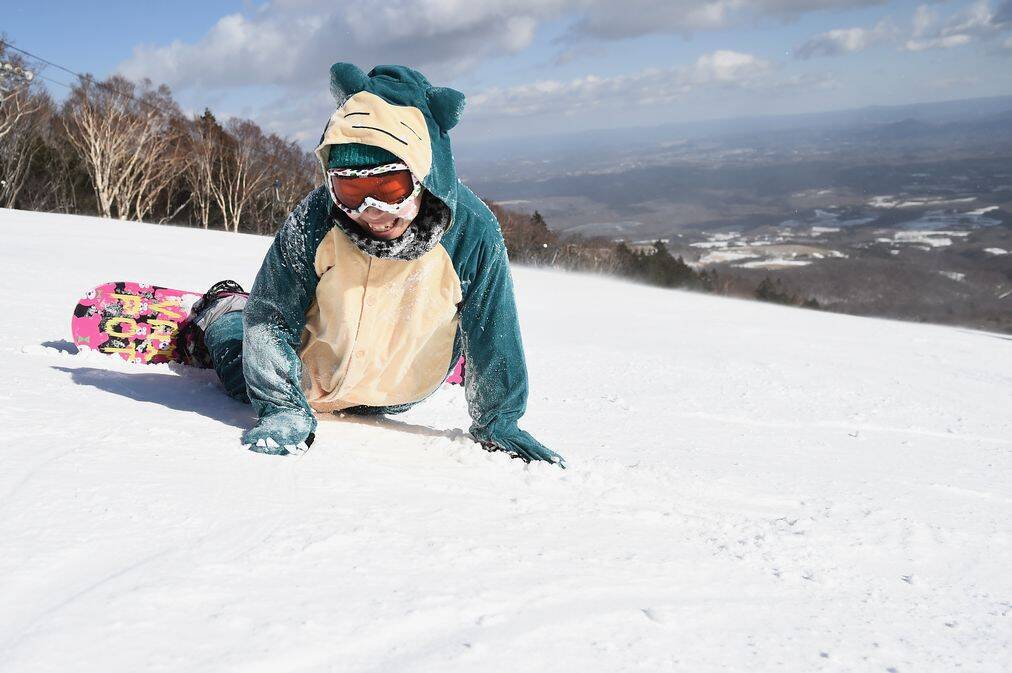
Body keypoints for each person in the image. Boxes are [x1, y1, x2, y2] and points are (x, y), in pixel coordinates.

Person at [182, 62, 563, 466]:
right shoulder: (316, 219)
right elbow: (269, 317)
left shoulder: (471, 232)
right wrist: (282, 408)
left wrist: (499, 421)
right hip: (311, 380)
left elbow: (494, 329)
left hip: (402, 393)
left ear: (424, 173)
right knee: (240, 359)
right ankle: (225, 311)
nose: (371, 211)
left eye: (389, 188)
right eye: (350, 190)